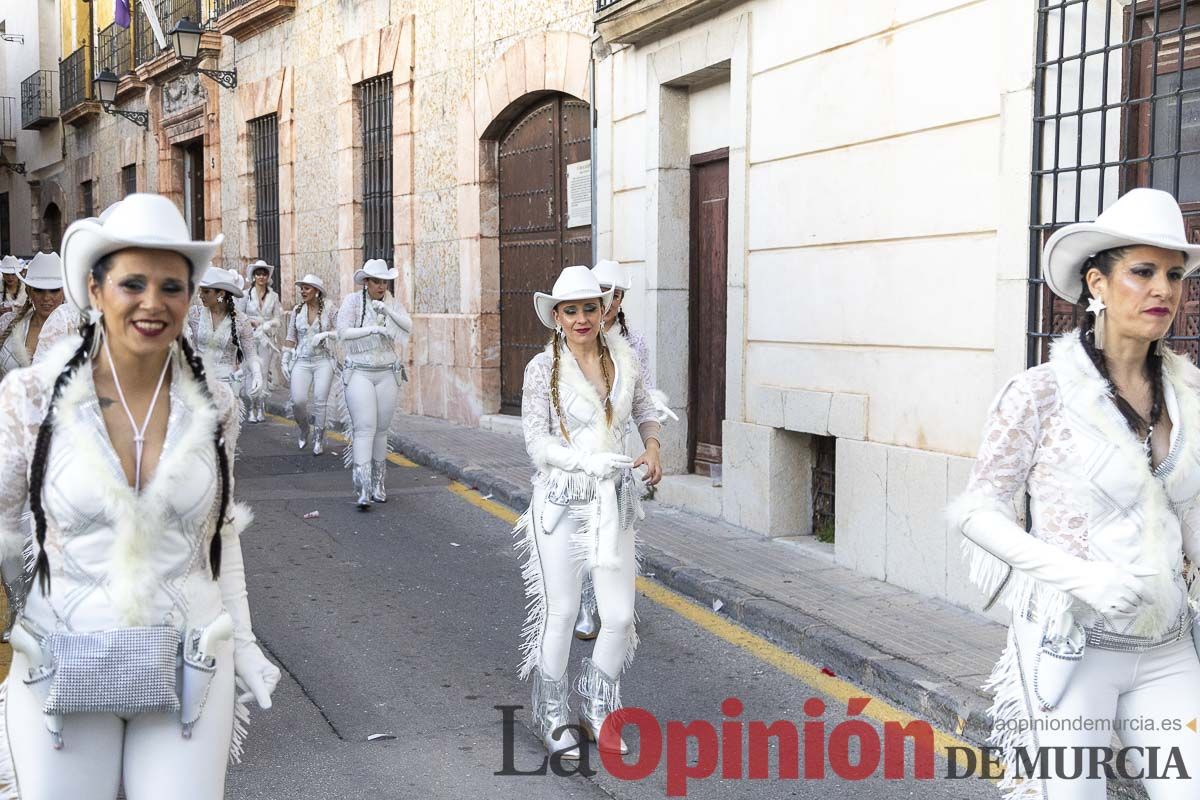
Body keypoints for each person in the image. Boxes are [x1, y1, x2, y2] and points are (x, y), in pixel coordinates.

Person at [0, 192, 279, 799]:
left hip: (190, 661)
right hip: (60, 658)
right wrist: (24, 619)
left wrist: (249, 644)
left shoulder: (216, 406)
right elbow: (2, 530)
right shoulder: (29, 398)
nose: (153, 303)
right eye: (133, 283)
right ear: (96, 292)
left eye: (172, 286)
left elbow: (219, 534)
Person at [948, 188, 1200, 800]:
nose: (1163, 289)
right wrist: (1078, 578)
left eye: (1174, 274)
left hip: (1168, 643)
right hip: (1071, 646)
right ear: (1098, 283)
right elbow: (979, 511)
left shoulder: (1190, 394)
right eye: (1142, 272)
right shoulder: (1039, 392)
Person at [513, 265, 664, 760]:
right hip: (560, 502)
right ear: (556, 316)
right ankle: (551, 712)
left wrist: (654, 447)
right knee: (561, 613)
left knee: (618, 617)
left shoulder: (623, 359)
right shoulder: (543, 369)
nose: (582, 318)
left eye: (590, 308)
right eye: (571, 310)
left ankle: (598, 706)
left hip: (612, 502)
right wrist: (586, 460)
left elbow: (644, 408)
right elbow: (536, 442)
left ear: (604, 311)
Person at [334, 258, 412, 509]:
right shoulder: (353, 302)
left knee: (381, 429)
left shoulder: (392, 303)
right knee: (365, 427)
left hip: (387, 372)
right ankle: (363, 486)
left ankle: (379, 483)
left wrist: (388, 312)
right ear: (366, 282)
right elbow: (342, 332)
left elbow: (407, 327)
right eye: (376, 281)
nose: (381, 286)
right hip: (359, 371)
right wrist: (373, 330)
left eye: (385, 282)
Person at [188, 267, 262, 422]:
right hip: (198, 382)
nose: (200, 295)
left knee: (221, 435)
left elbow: (250, 353)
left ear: (221, 294)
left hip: (226, 386)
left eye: (206, 292)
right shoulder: (194, 314)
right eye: (200, 291)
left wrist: (257, 374)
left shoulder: (241, 321)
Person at [282, 273, 337, 455]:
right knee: (298, 401)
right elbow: (291, 337)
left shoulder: (329, 309)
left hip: (323, 361)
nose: (302, 291)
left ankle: (319, 438)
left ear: (316, 291)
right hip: (302, 361)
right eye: (301, 288)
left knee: (320, 400)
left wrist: (326, 335)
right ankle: (305, 429)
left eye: (306, 288)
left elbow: (341, 330)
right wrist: (286, 358)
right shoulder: (297, 310)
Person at [0, 252, 66, 381]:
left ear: (64, 291)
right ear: (29, 291)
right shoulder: (6, 323)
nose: (46, 298)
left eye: (54, 290)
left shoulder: (80, 330)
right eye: (39, 290)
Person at [240, 260, 282, 424]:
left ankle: (261, 406)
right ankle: (251, 407)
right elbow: (238, 315)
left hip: (266, 340)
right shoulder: (245, 295)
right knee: (251, 372)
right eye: (258, 273)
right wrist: (251, 321)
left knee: (263, 373)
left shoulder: (274, 296)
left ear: (268, 276)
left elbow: (278, 319)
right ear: (253, 276)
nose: (261, 276)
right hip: (250, 337)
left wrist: (268, 324)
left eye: (264, 273)